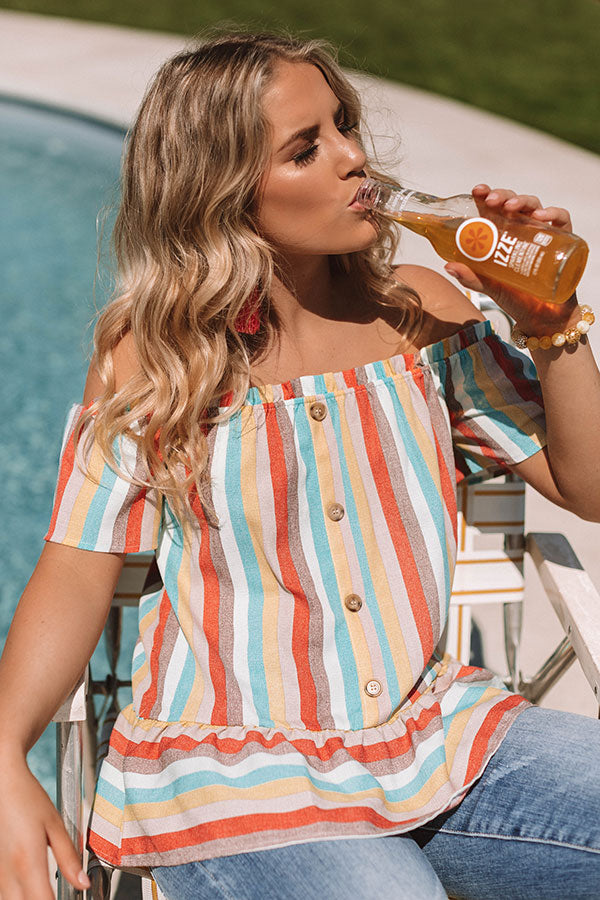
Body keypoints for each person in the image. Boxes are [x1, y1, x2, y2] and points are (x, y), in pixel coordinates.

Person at [0, 29, 599, 900]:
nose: (354, 158)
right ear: (222, 192)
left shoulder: (421, 315)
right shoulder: (158, 359)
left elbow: (588, 487)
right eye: (306, 148)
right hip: (237, 777)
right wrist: (5, 756)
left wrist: (551, 327)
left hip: (436, 740)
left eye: (344, 126)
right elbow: (74, 567)